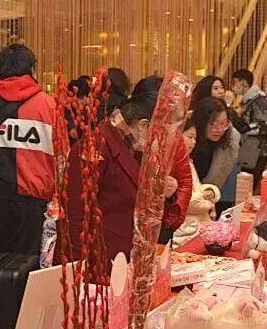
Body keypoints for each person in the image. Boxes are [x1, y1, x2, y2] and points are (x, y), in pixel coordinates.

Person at [65, 91, 187, 260]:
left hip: (122, 257)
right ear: (143, 126)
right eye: (162, 135)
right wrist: (79, 266)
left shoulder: (132, 148)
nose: (162, 143)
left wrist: (161, 191)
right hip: (96, 258)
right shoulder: (96, 146)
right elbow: (75, 214)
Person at [0, 44, 58, 255]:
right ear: (32, 69)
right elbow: (62, 155)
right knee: (29, 265)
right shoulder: (49, 105)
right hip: (35, 203)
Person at [173, 118, 222, 247]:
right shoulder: (172, 163)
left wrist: (210, 191)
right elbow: (185, 200)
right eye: (190, 137)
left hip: (196, 226)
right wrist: (207, 202)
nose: (193, 142)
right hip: (184, 232)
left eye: (195, 138)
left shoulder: (188, 162)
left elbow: (196, 188)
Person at [190, 97, 242, 211]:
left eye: (224, 124)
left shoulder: (229, 144)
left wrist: (211, 191)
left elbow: (217, 182)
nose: (219, 129)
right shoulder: (187, 138)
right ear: (202, 122)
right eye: (213, 124)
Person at [231, 68, 267, 185]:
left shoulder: (258, 100)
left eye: (234, 82)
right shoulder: (250, 100)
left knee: (248, 183)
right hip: (252, 148)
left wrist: (246, 128)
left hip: (257, 149)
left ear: (243, 82)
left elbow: (266, 124)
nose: (233, 86)